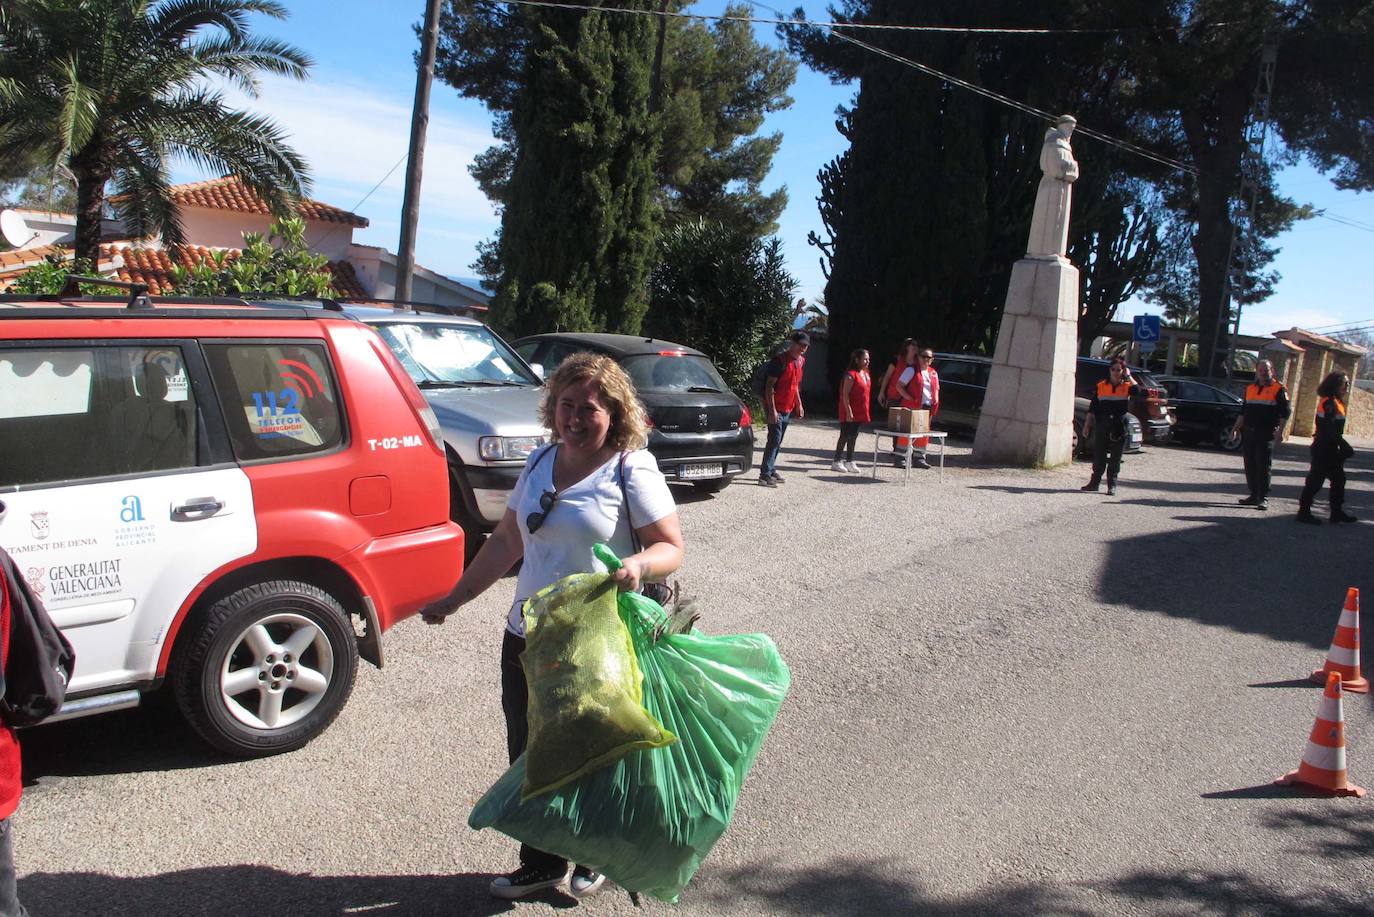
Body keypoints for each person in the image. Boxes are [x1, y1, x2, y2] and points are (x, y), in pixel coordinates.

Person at [419, 353, 685, 900]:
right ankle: (541, 858)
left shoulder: (630, 468)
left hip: (597, 640)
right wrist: (455, 599)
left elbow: (670, 547)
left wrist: (637, 565)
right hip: (528, 635)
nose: (575, 418)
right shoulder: (540, 460)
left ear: (614, 412)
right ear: (551, 408)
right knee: (529, 750)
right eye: (566, 406)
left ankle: (595, 852)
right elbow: (507, 543)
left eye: (588, 408)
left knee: (595, 747)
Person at [1296, 370, 1358, 526]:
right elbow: (1328, 429)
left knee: (1339, 480)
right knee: (1315, 481)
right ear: (1335, 385)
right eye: (1345, 383)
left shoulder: (1336, 402)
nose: (1347, 386)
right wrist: (1345, 446)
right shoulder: (1330, 402)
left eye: (1348, 383)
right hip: (1323, 448)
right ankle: (1303, 512)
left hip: (1330, 448)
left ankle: (1336, 513)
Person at [1231, 359, 1290, 511]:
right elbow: (1243, 411)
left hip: (1266, 433)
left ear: (1272, 371)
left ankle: (1263, 497)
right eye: (1261, 370)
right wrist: (1236, 428)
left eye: (1267, 370)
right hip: (1249, 432)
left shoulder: (1279, 389)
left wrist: (1280, 431)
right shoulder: (1250, 388)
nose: (1264, 373)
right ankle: (1254, 494)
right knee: (1249, 464)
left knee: (1263, 465)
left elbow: (1285, 413)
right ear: (1257, 371)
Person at [1080, 358, 1137, 496]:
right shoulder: (1101, 386)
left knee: (1115, 458)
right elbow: (1093, 407)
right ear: (1109, 370)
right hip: (1102, 424)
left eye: (1119, 370)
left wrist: (1129, 376)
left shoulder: (1127, 386)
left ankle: (1112, 485)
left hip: (1119, 426)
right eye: (1113, 369)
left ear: (1123, 371)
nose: (1116, 372)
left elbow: (1139, 391)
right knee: (1099, 455)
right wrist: (1087, 425)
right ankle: (1094, 483)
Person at [758, 331, 808, 487]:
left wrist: (798, 404)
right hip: (775, 407)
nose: (803, 348)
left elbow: (795, 385)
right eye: (801, 345)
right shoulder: (779, 361)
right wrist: (772, 411)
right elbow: (769, 387)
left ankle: (770, 469)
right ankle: (764, 475)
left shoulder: (800, 362)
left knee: (778, 441)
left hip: (787, 407)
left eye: (806, 346)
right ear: (792, 343)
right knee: (774, 440)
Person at [893, 347, 940, 470]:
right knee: (906, 433)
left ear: (932, 359)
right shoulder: (911, 370)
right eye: (923, 356)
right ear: (918, 357)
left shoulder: (933, 372)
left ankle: (919, 458)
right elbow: (899, 386)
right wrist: (909, 398)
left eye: (928, 357)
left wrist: (935, 401)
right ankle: (900, 458)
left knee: (924, 434)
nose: (925, 359)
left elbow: (936, 389)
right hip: (912, 406)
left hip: (927, 407)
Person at [832, 349, 871, 473]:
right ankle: (837, 460)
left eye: (868, 359)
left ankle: (850, 460)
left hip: (860, 410)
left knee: (853, 436)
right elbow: (845, 395)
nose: (867, 361)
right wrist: (848, 411)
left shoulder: (865, 374)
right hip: (849, 410)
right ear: (857, 360)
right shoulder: (850, 375)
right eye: (865, 359)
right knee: (844, 435)